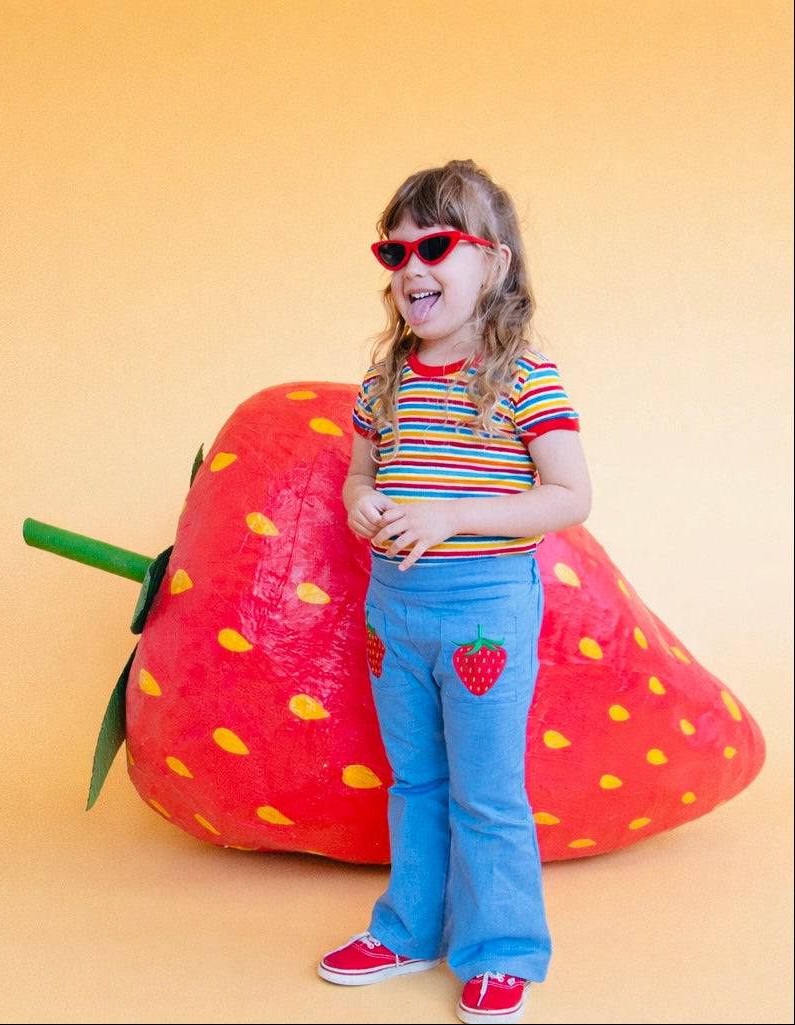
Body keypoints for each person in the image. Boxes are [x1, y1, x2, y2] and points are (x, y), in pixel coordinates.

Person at [317, 159, 592, 1024]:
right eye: (393, 252)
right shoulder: (386, 380)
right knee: (414, 781)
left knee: (487, 788)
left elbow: (570, 496)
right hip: (392, 614)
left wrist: (451, 515)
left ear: (496, 263)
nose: (411, 268)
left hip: (486, 612)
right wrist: (362, 502)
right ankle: (406, 930)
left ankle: (503, 945)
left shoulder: (522, 378)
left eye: (435, 244)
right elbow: (360, 473)